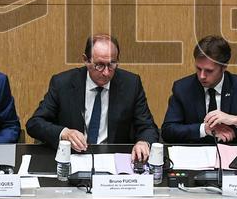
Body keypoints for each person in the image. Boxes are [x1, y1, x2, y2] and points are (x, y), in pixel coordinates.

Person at [26, 34, 159, 162]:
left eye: (112, 64)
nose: (106, 72)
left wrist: (144, 142)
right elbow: (35, 123)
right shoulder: (63, 84)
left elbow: (148, 127)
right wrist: (64, 133)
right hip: (72, 158)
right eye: (99, 65)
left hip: (114, 161)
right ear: (86, 60)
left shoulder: (131, 84)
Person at [162, 35, 237, 144]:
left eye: (209, 71)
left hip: (235, 156)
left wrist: (235, 120)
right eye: (198, 68)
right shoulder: (183, 88)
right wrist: (204, 129)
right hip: (197, 157)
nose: (202, 76)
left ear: (224, 67)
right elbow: (168, 131)